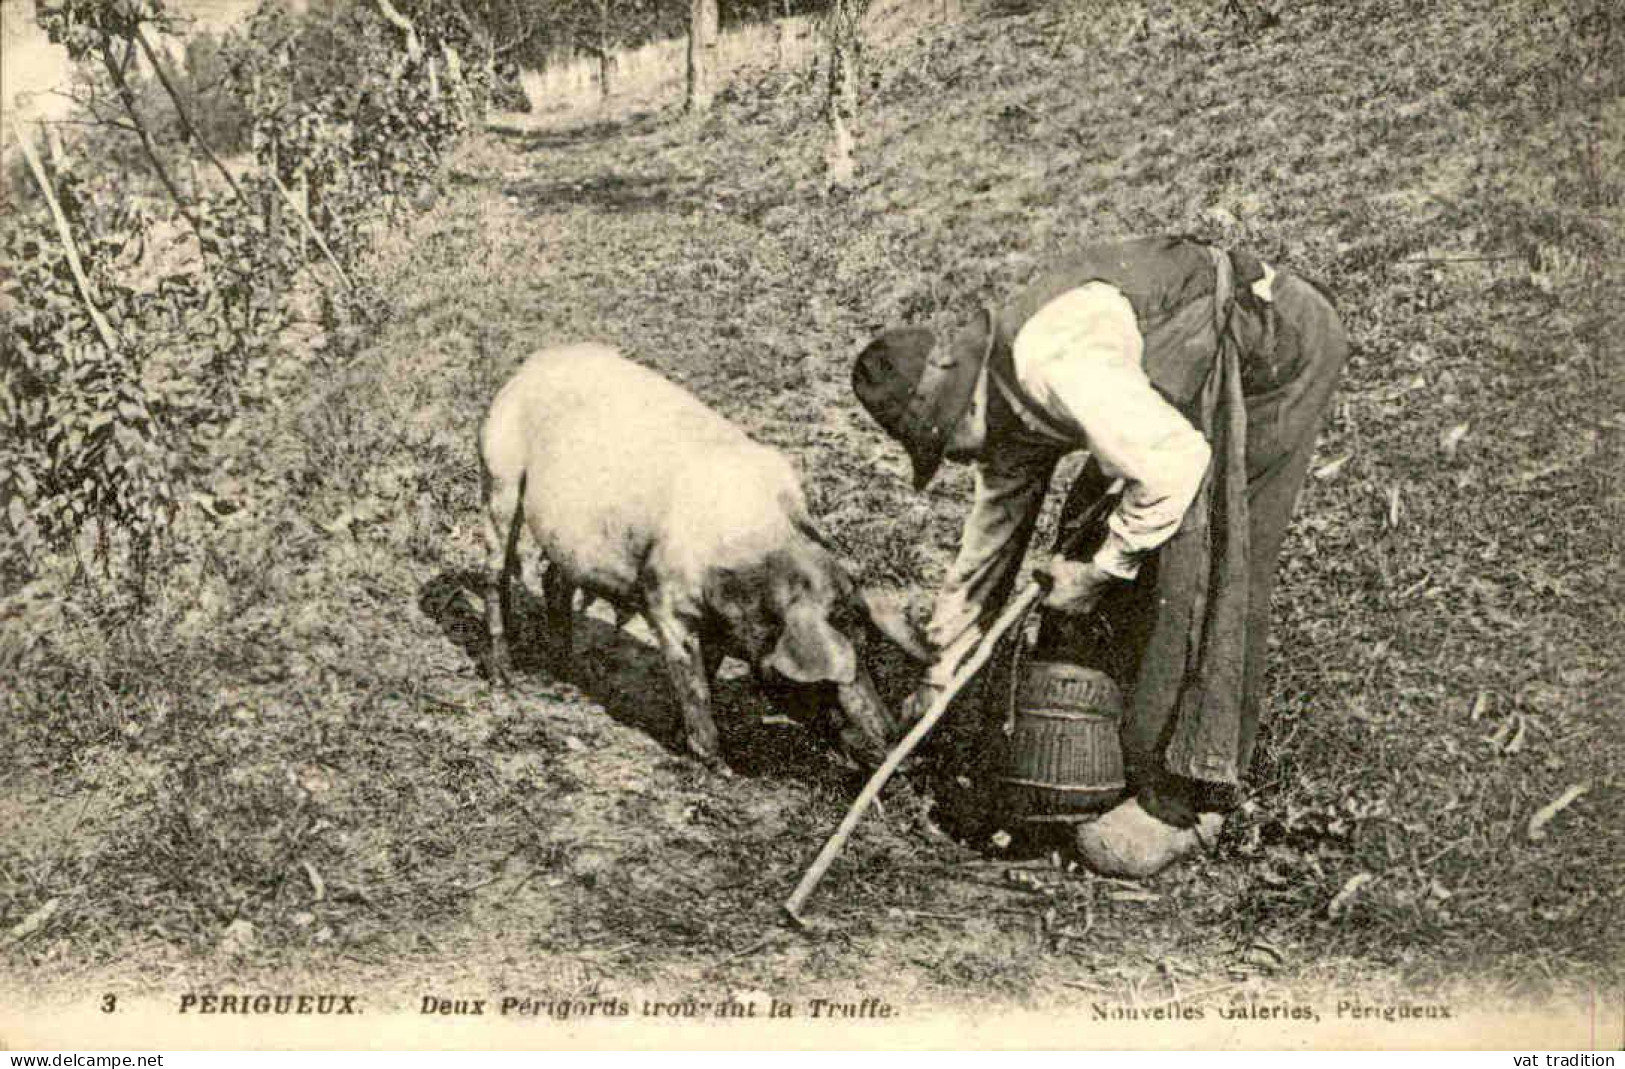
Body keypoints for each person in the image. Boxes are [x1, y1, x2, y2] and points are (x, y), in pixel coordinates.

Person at [851, 235, 1349, 878]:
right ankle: (1111, 747)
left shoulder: (1055, 360)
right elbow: (990, 545)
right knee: (1095, 529)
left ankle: (1187, 799)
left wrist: (1100, 571)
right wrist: (940, 676)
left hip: (1269, 355)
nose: (957, 461)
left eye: (944, 443)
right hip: (1170, 395)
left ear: (966, 403)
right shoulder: (1000, 405)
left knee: (1206, 554)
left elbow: (1175, 464)